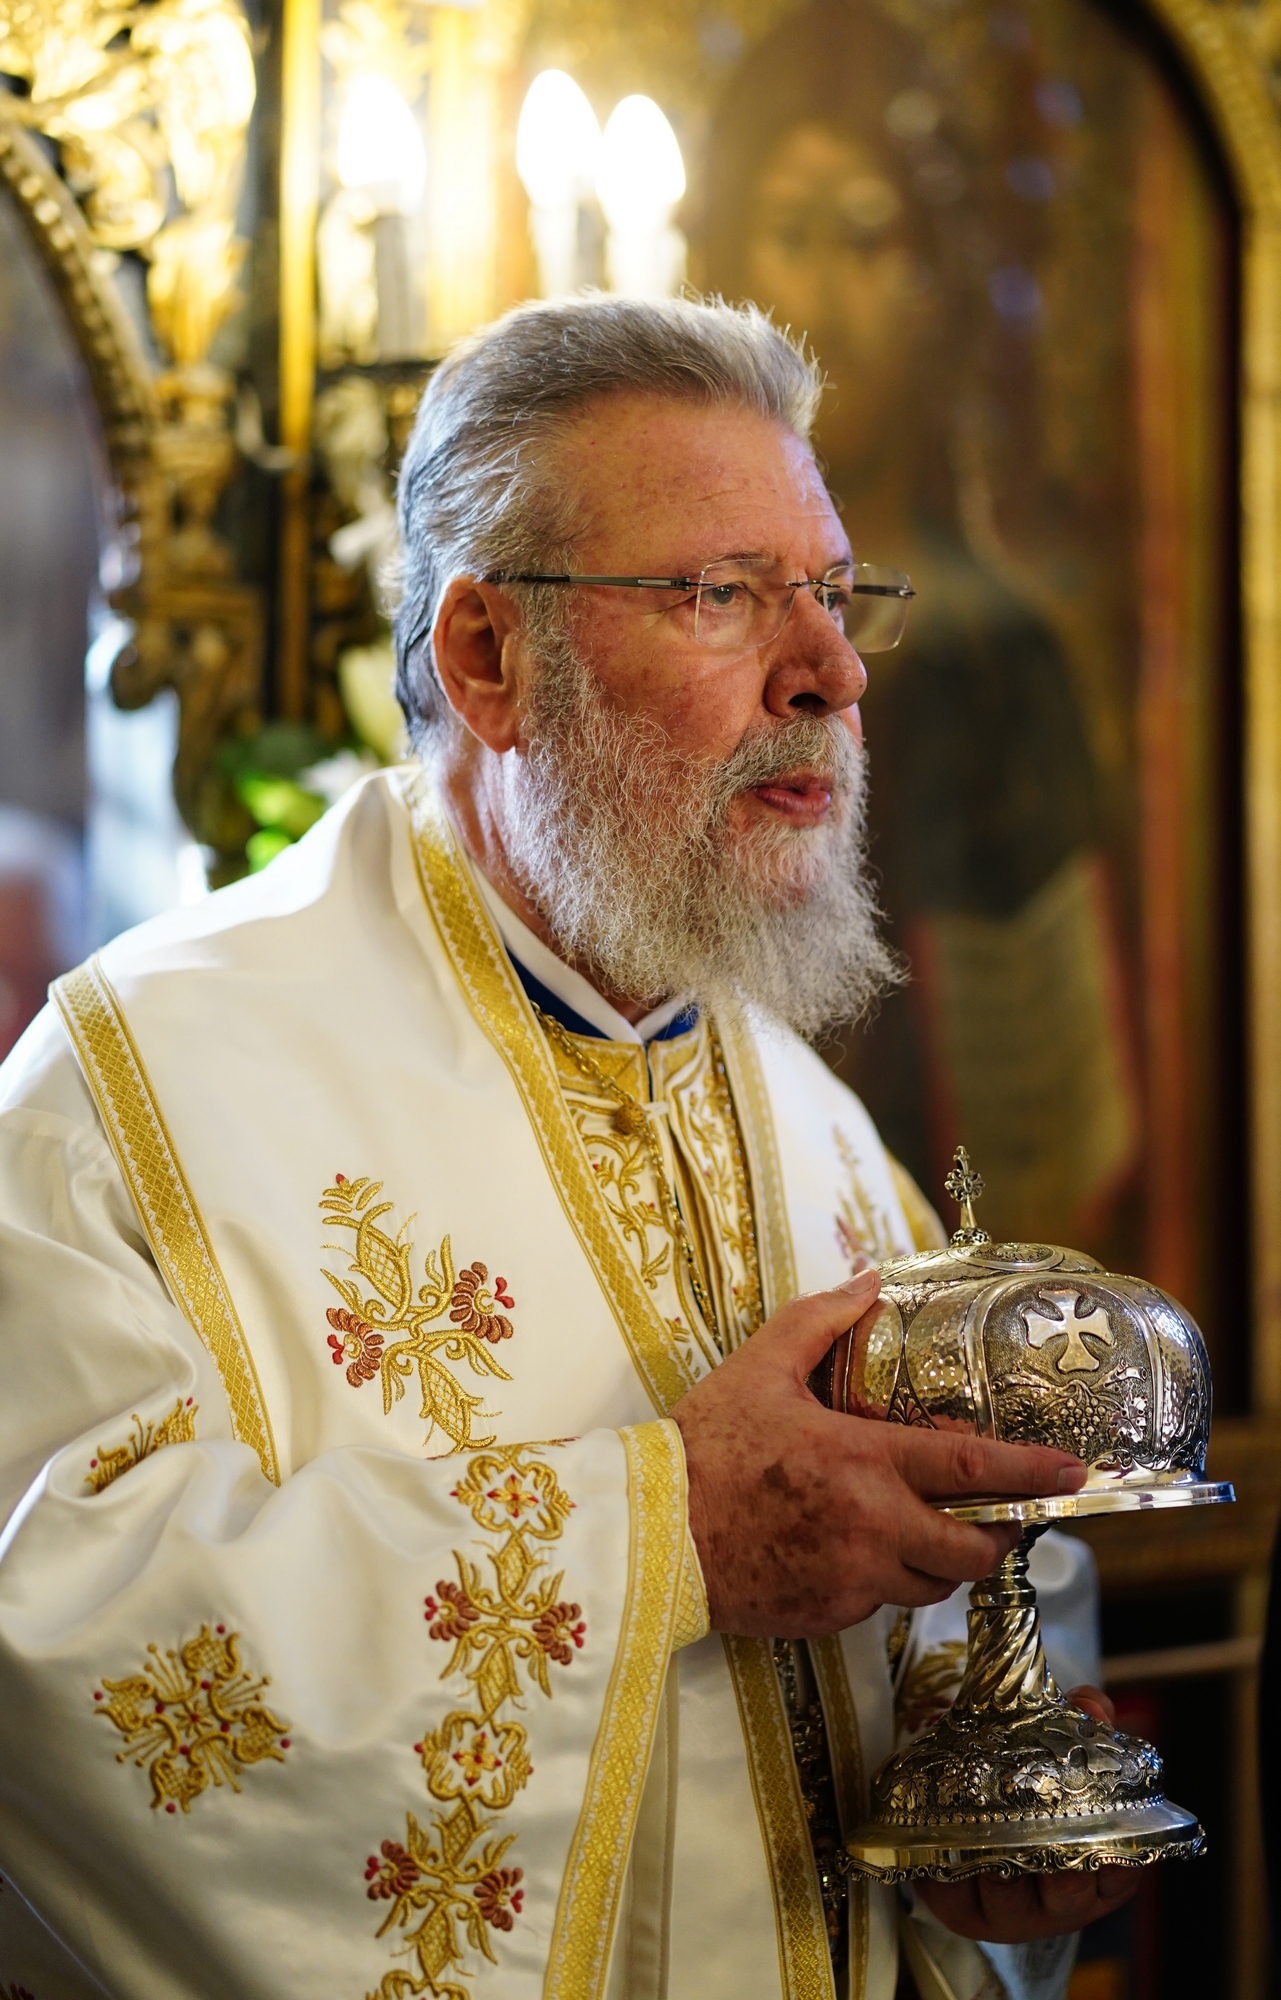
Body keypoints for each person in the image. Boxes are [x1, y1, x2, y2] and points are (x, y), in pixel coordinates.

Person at [0, 296, 1131, 2000]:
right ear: (485, 661)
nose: (823, 672)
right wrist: (659, 1533)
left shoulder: (813, 1126)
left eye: (833, 594)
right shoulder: (143, 1085)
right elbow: (57, 1652)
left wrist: (980, 1857)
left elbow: (980, 1633)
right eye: (722, 594)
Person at [699, 0, 1139, 1245]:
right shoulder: (665, 632)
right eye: (789, 234)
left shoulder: (1002, 656)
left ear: (937, 285)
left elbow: (1046, 1107)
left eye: (870, 237)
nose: (827, 290)